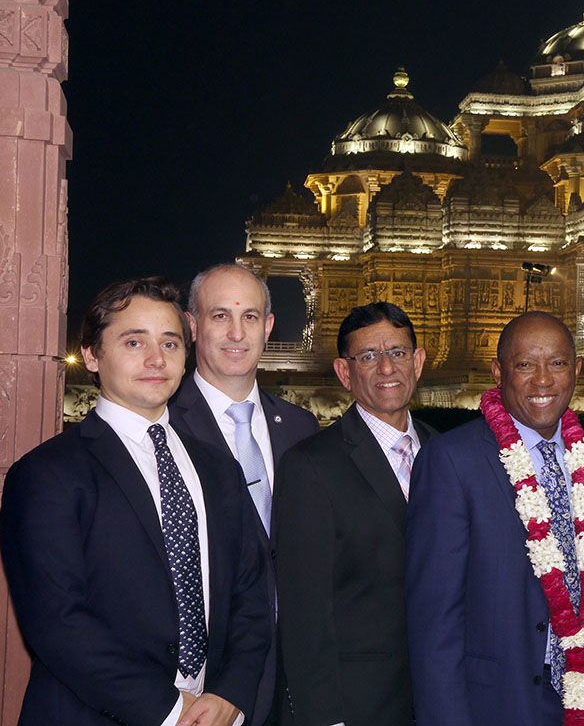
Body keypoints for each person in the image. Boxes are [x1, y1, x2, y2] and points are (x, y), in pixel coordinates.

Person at [0, 277, 271, 726]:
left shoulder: (219, 469)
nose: (155, 359)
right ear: (92, 354)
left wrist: (230, 694)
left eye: (170, 343)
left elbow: (251, 596)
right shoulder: (48, 473)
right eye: (133, 342)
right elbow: (57, 620)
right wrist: (170, 710)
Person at [406, 311, 584, 726]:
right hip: (496, 703)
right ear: (499, 372)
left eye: (558, 363)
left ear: (577, 369)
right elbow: (434, 621)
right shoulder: (452, 460)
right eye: (524, 364)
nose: (543, 380)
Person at [170, 263, 319, 725]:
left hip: (296, 679)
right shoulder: (165, 428)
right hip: (204, 685)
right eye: (220, 316)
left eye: (250, 317)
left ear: (269, 326)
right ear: (193, 326)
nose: (237, 333)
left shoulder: (300, 428)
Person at [273, 302, 435, 726]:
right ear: (345, 373)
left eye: (398, 353)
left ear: (417, 362)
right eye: (368, 356)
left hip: (441, 697)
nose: (386, 368)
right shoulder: (310, 465)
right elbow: (304, 608)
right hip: (358, 703)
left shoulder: (446, 454)